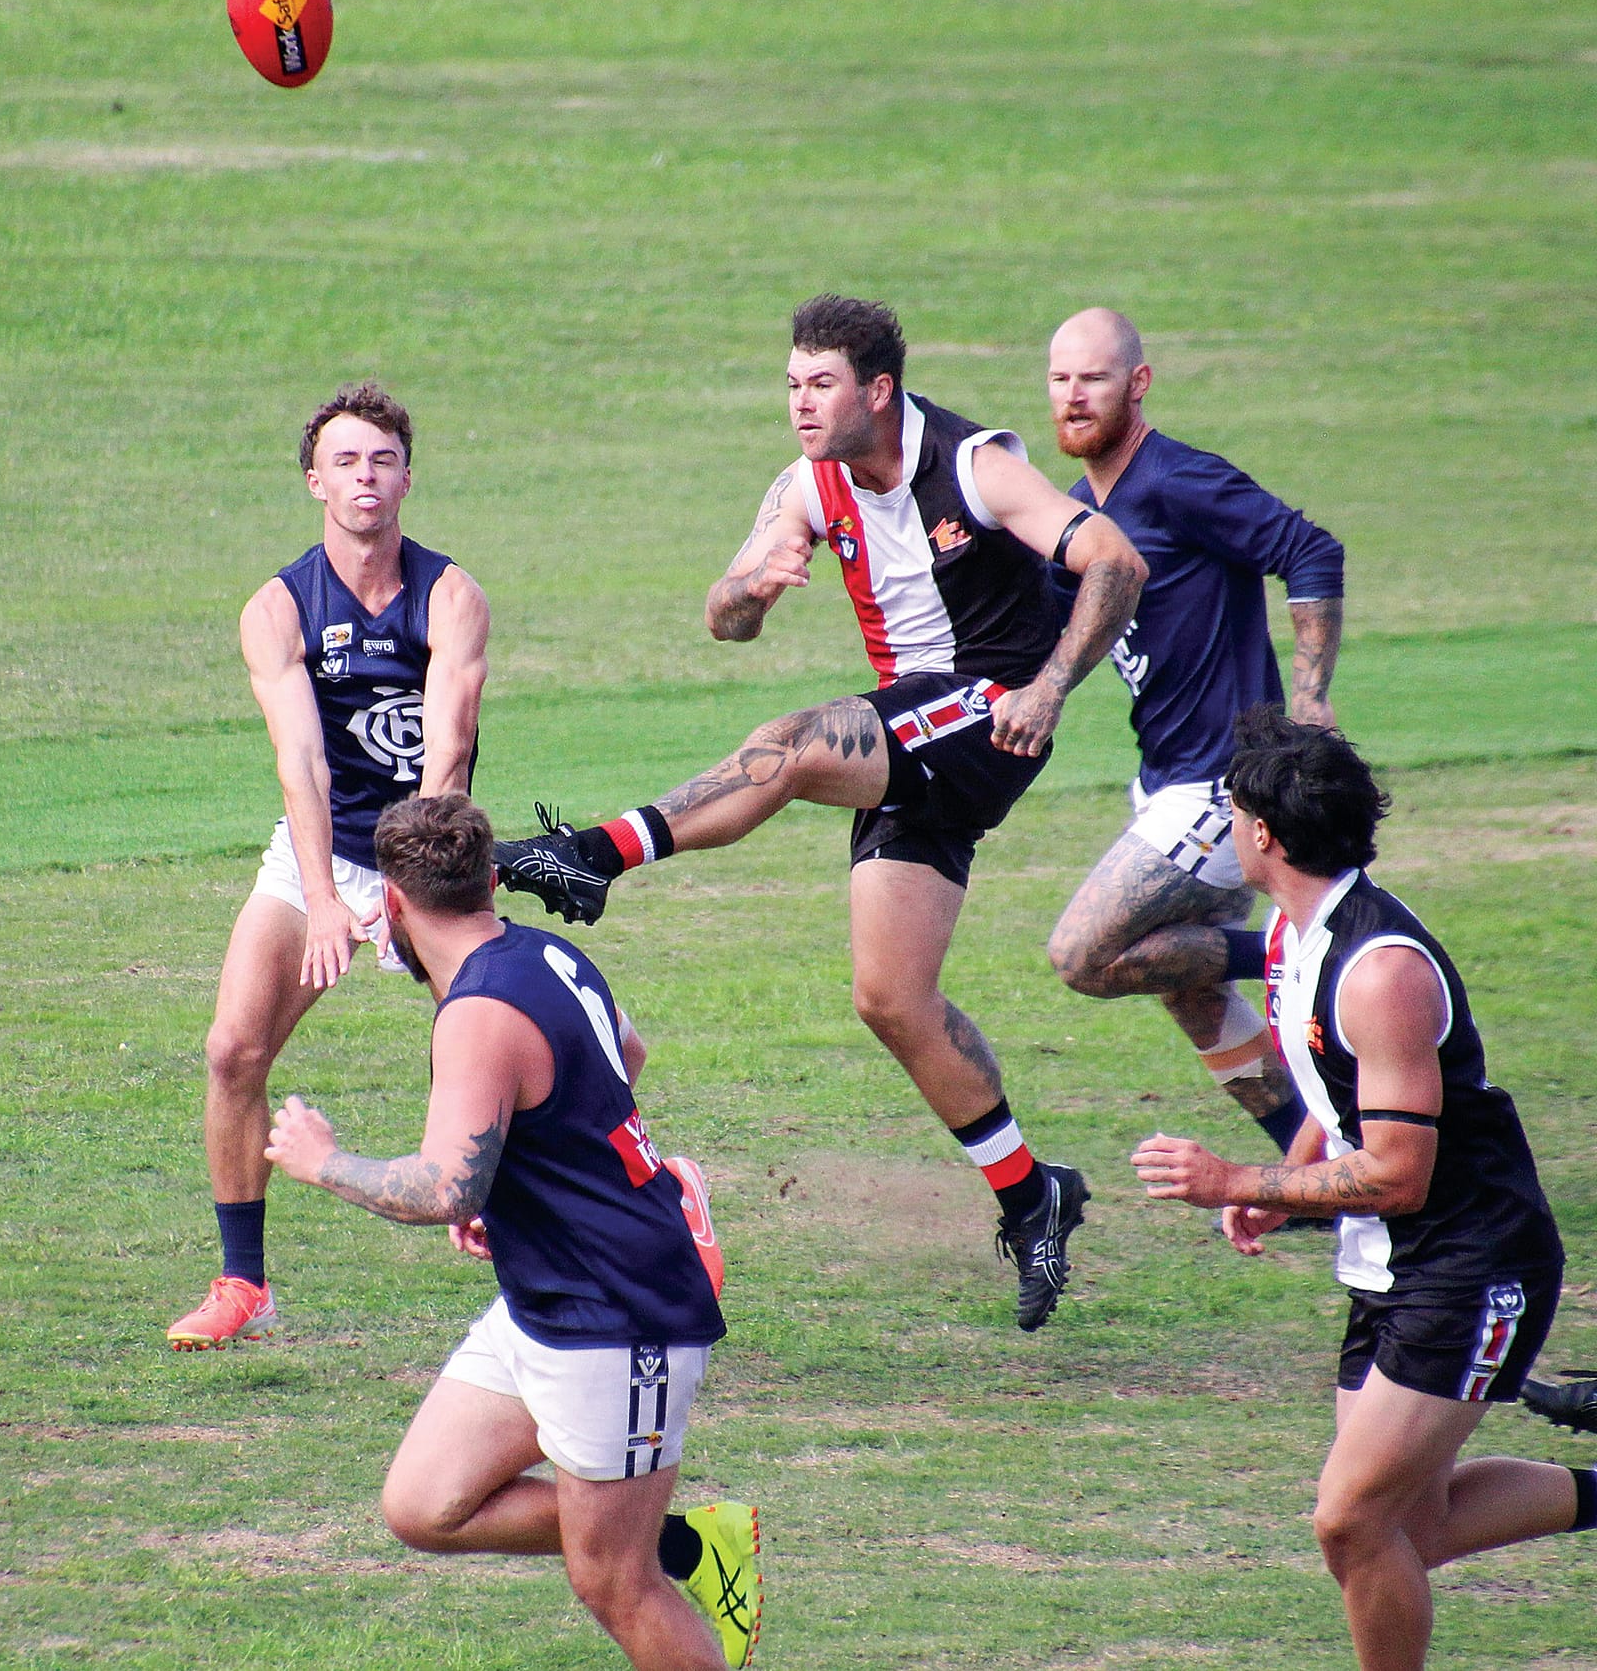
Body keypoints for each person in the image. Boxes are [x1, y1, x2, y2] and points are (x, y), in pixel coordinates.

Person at [495, 294, 1148, 1330]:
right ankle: (1033, 1196)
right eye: (791, 385)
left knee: (796, 744)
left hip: (986, 708)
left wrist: (1049, 688)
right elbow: (722, 615)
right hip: (916, 738)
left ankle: (590, 855)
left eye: (821, 386)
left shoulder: (972, 466)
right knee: (891, 999)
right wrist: (749, 588)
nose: (800, 405)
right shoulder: (806, 482)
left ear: (877, 391)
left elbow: (1114, 561)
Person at [1131, 710, 1593, 1671]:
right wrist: (1289, 1180)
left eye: (1233, 808)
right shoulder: (1299, 935)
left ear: (1264, 833)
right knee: (1405, 1530)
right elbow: (1327, 1086)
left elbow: (1396, 1171)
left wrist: (1234, 1176)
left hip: (1474, 1261)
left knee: (1351, 1525)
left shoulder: (1379, 971)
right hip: (1396, 1263)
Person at [264, 794, 763, 1671]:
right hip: (544, 1303)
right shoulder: (545, 952)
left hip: (621, 1318)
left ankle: (644, 1543)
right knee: (424, 1505)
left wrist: (322, 1162)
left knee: (613, 1582)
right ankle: (675, 1536)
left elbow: (444, 1188)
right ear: (490, 880)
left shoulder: (478, 1012)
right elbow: (625, 1055)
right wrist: (522, 1195)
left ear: (393, 902)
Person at [166, 383, 490, 1350]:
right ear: (315, 480)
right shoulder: (277, 607)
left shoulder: (451, 595)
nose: (366, 477)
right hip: (319, 853)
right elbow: (299, 762)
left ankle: (586, 1221)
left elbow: (450, 754)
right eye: (346, 461)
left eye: (383, 460)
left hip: (431, 857)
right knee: (233, 1051)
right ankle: (242, 1284)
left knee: (503, 1055)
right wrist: (320, 899)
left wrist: (411, 884)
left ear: (406, 478)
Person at [1043, 308, 1345, 1153]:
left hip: (1226, 781)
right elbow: (1037, 628)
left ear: (1136, 384)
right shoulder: (1078, 513)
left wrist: (1312, 700)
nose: (1074, 396)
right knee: (1188, 980)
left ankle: (1294, 948)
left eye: (1093, 378)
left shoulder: (1179, 481)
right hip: (1164, 781)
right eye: (1061, 379)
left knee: (1082, 957)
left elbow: (1310, 549)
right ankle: (1314, 1162)